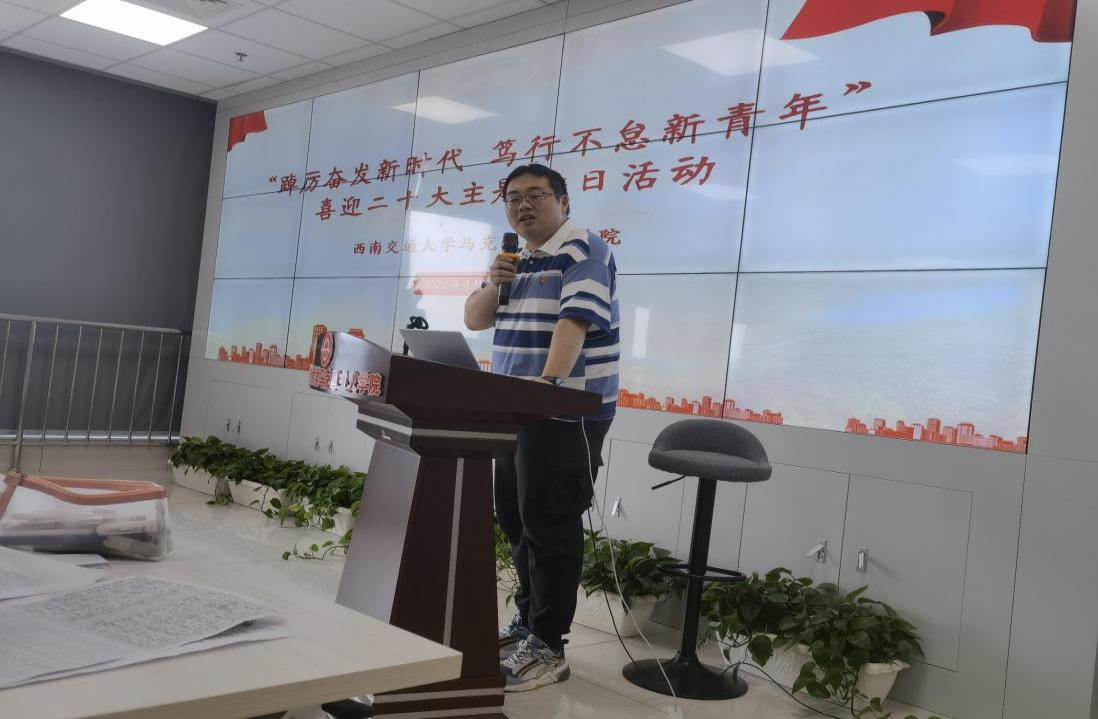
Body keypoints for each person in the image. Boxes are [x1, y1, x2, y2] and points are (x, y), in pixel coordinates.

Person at [464, 163, 620, 692]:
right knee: (517, 519)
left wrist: (547, 385)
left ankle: (550, 645)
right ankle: (529, 623)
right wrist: (495, 281)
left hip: (563, 414)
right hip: (516, 411)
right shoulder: (517, 259)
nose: (523, 205)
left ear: (564, 201)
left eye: (535, 195)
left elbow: (573, 323)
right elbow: (474, 319)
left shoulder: (584, 251)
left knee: (551, 526)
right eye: (513, 198)